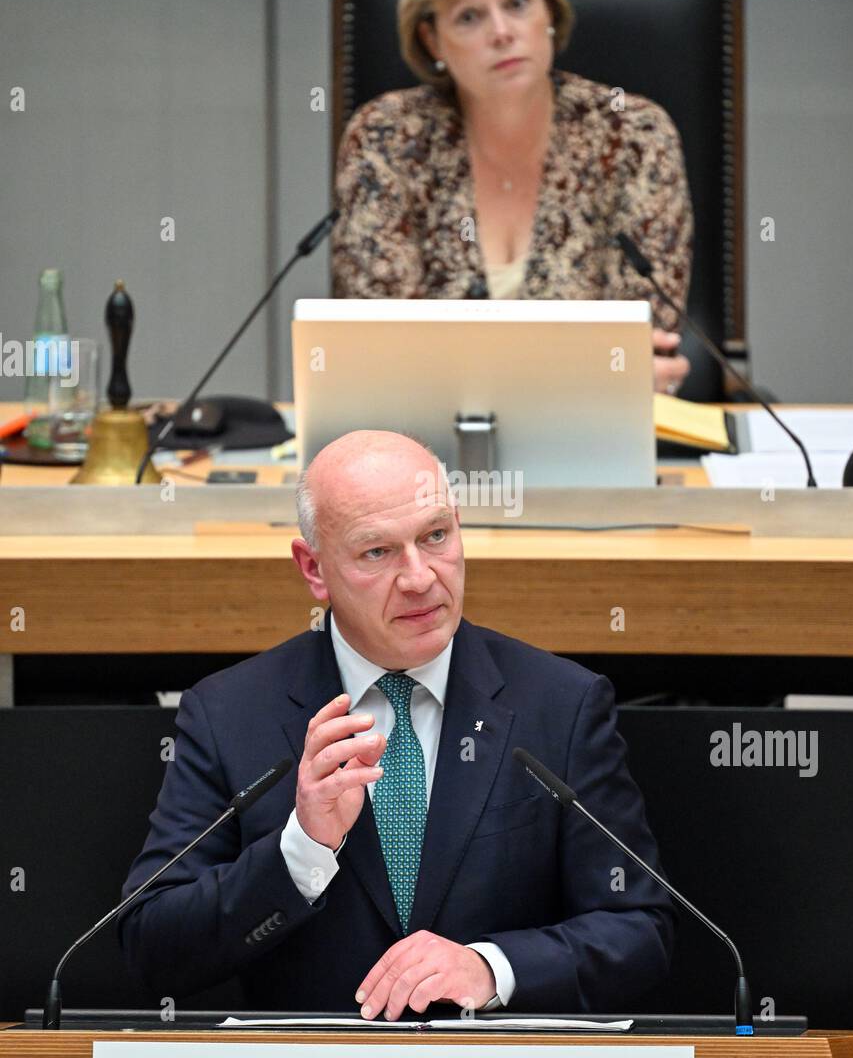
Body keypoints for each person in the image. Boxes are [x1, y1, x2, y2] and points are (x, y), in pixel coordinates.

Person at [119, 431, 675, 1018]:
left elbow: (640, 929)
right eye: (376, 553)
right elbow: (154, 945)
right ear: (314, 568)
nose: (419, 578)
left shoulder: (561, 705)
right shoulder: (229, 713)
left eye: (436, 536)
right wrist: (301, 849)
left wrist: (492, 967)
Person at [332, 0, 693, 396]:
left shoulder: (632, 135)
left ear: (549, 10)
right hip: (429, 454)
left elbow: (640, 348)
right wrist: (583, 375)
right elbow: (382, 353)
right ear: (431, 38)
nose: (501, 32)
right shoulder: (387, 140)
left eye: (518, 3)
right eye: (469, 16)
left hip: (595, 451)